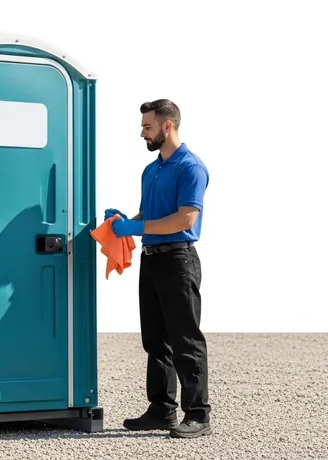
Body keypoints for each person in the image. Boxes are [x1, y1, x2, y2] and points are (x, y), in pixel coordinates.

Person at [106, 99, 211, 439]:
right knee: (155, 340)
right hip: (151, 260)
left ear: (168, 126)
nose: (142, 133)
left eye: (147, 127)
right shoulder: (151, 170)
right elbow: (146, 216)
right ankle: (161, 410)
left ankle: (198, 414)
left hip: (179, 260)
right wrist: (125, 221)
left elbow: (185, 218)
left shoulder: (190, 167)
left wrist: (137, 229)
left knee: (185, 339)